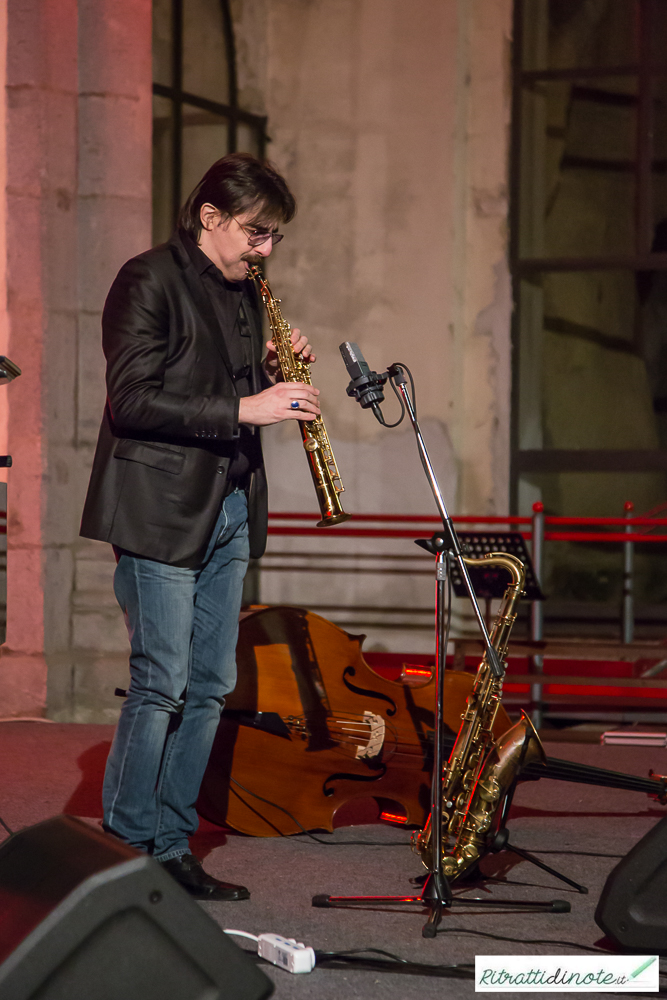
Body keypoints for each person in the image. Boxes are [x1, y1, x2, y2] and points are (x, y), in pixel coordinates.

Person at [80, 153, 320, 900]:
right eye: (255, 232)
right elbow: (134, 402)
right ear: (209, 218)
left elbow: (217, 383)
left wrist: (269, 370)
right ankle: (122, 849)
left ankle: (172, 845)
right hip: (160, 509)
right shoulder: (146, 279)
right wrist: (249, 406)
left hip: (232, 507)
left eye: (274, 235)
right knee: (163, 684)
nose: (265, 250)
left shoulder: (248, 292)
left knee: (211, 686)